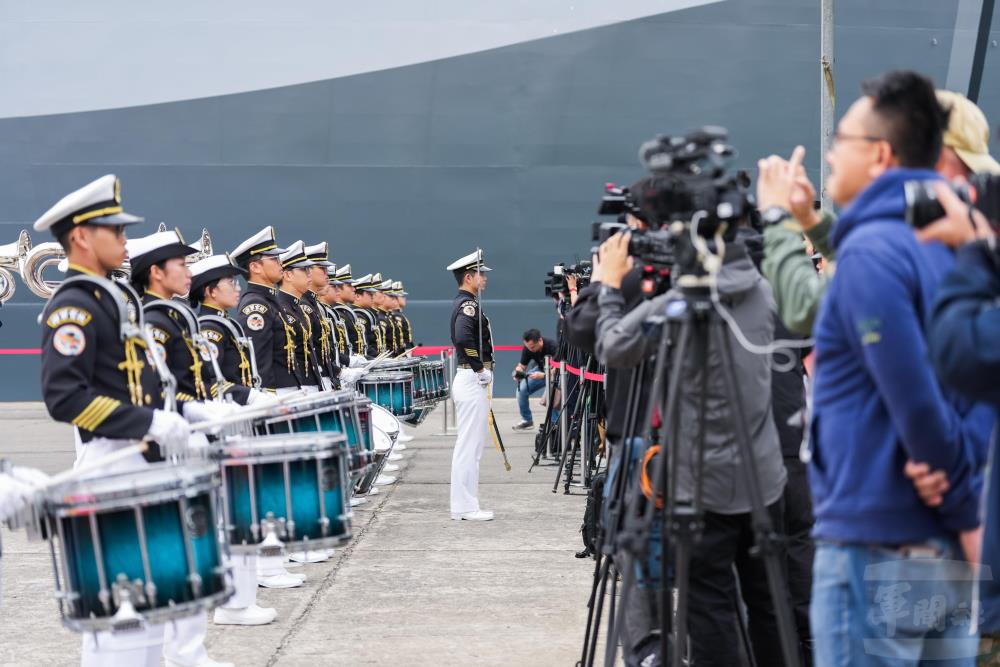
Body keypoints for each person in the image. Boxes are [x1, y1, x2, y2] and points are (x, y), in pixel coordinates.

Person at [806, 70, 988, 665]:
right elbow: (978, 386)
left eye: (842, 140)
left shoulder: (872, 251)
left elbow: (914, 400)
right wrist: (965, 500)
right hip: (945, 552)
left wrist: (958, 500)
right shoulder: (955, 250)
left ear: (880, 155)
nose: (831, 154)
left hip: (876, 537)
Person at [33, 174, 230, 667]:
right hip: (111, 460)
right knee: (119, 616)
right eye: (115, 230)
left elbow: (144, 382)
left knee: (147, 605)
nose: (125, 240)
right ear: (81, 237)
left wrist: (183, 411)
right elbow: (64, 398)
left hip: (140, 459)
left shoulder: (112, 299)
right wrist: (147, 424)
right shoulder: (74, 305)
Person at [596, 218, 789, 667]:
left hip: (700, 489)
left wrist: (609, 287)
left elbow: (613, 346)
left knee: (709, 604)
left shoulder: (677, 306)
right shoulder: (763, 293)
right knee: (768, 603)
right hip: (764, 480)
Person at [758, 88, 1000, 335]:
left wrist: (776, 216)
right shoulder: (937, 238)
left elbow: (808, 308)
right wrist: (810, 220)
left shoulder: (905, 239)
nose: (965, 184)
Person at [187, 253, 278, 626]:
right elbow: (211, 382)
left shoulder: (224, 324)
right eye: (229, 283)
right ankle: (234, 603)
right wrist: (247, 396)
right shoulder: (209, 327)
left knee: (244, 509)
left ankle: (242, 597)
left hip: (237, 420)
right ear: (211, 291)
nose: (237, 288)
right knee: (233, 512)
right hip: (224, 423)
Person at [447, 249, 495, 522]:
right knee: (469, 446)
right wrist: (479, 368)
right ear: (469, 277)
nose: (485, 278)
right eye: (481, 274)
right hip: (471, 377)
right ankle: (464, 506)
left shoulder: (468, 303)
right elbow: (463, 338)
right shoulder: (468, 306)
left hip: (471, 377)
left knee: (472, 446)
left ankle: (466, 504)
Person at [511, 328, 557, 430]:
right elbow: (522, 365)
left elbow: (557, 369)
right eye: (528, 347)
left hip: (555, 374)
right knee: (521, 390)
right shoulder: (528, 348)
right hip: (539, 370)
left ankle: (555, 423)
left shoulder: (553, 347)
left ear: (540, 340)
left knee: (552, 394)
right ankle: (527, 420)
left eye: (532, 347)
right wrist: (518, 372)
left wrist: (544, 375)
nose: (530, 349)